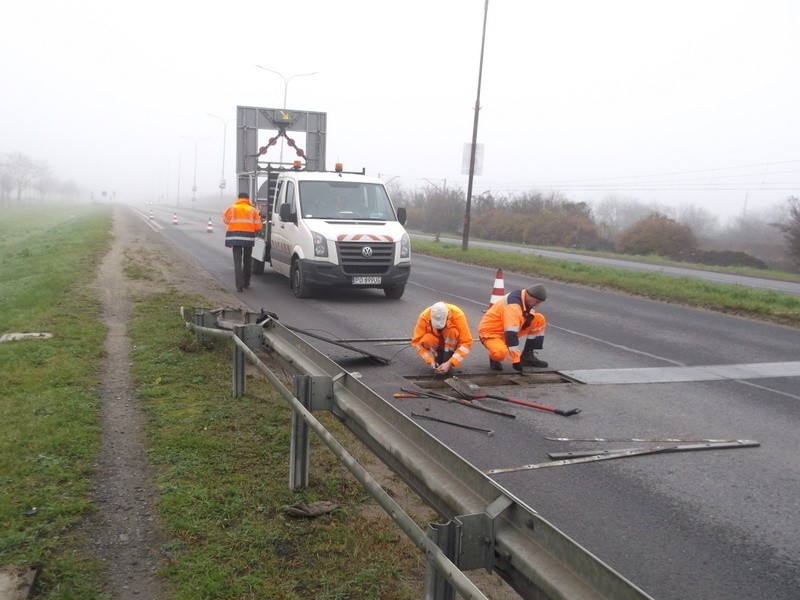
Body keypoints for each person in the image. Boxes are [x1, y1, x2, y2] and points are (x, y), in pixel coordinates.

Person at [478, 284, 548, 372]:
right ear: (530, 296)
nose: (537, 305)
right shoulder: (513, 306)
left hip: (507, 328)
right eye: (537, 302)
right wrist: (516, 361)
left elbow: (519, 318)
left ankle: (527, 355)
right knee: (500, 352)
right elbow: (511, 334)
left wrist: (529, 318)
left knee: (539, 319)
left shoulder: (523, 297)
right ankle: (494, 358)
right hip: (491, 333)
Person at [411, 302, 474, 375]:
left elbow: (467, 342)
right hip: (436, 342)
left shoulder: (458, 315)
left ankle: (447, 359)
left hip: (449, 342)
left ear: (447, 317)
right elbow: (416, 342)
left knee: (452, 331)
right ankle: (437, 359)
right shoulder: (424, 316)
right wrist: (430, 361)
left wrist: (450, 362)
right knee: (427, 339)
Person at [222, 192, 263, 292]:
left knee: (237, 261)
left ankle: (239, 285)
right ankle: (246, 282)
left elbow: (226, 220)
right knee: (247, 260)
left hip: (235, 237)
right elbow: (258, 226)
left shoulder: (232, 208)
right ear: (247, 199)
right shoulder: (253, 210)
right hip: (248, 237)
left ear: (238, 198)